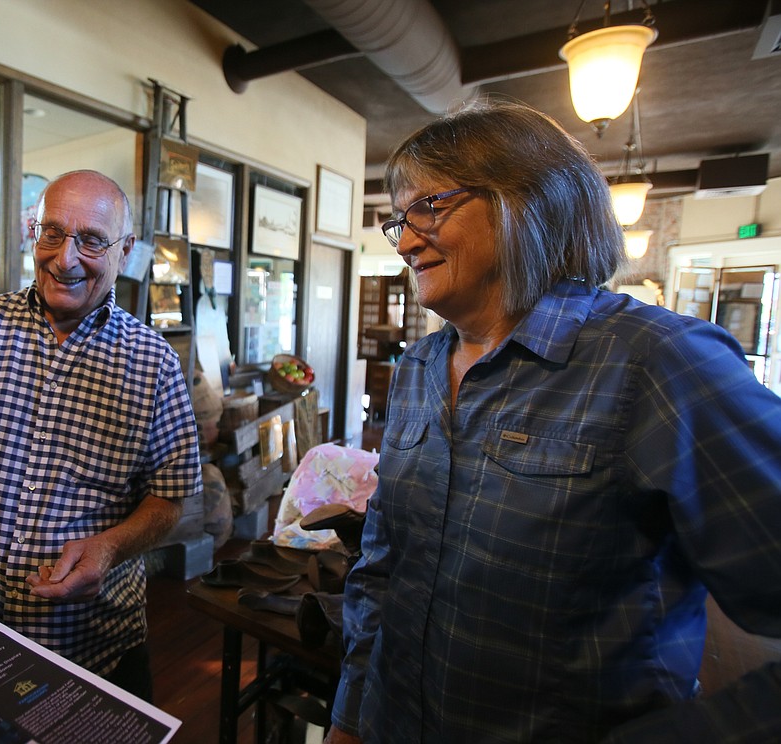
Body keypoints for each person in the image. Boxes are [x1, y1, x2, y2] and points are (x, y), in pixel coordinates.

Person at [325, 100, 781, 743]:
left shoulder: (659, 363)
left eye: (430, 207)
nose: (404, 241)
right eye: (398, 219)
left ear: (530, 201)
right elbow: (384, 565)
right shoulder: (421, 366)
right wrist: (350, 715)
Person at [0, 169, 201, 701]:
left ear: (126, 250)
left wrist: (110, 547)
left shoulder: (154, 363)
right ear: (34, 232)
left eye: (92, 241)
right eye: (52, 233)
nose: (65, 258)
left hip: (97, 646)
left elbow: (168, 499)